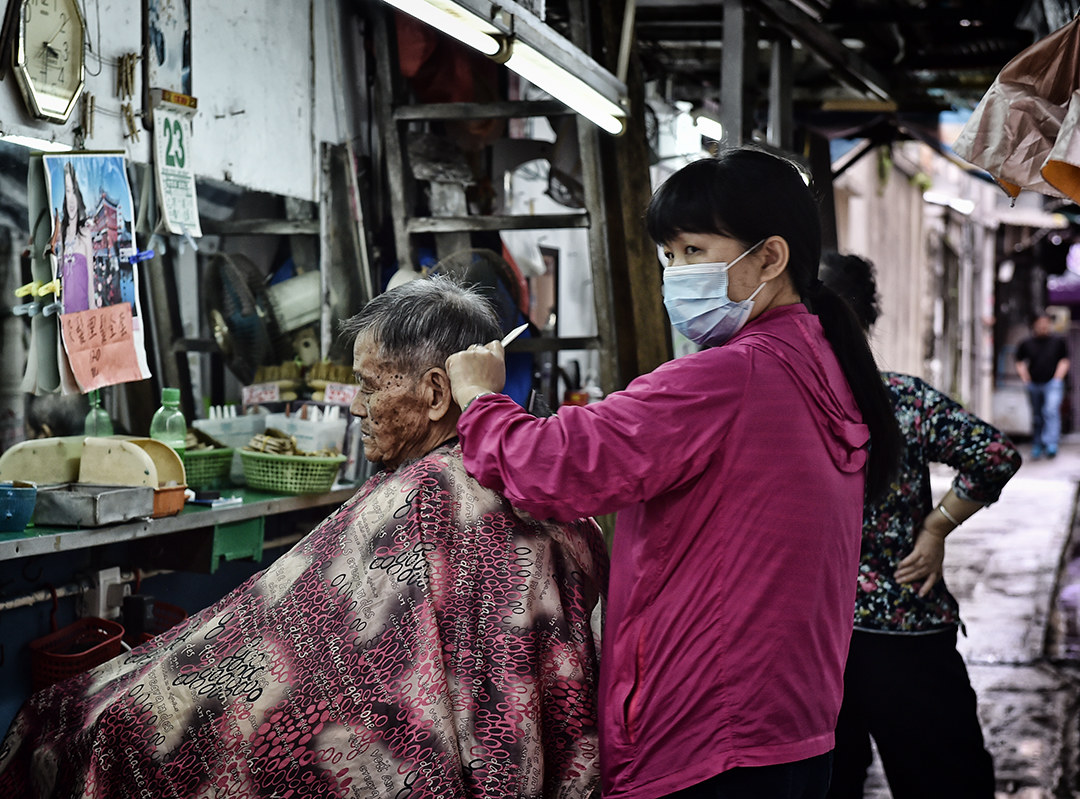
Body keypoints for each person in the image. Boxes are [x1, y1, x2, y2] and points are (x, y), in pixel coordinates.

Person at [0, 277, 609, 799]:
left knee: (88, 722)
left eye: (369, 386)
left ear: (438, 393)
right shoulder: (546, 490)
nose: (355, 408)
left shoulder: (428, 496)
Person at [445, 147, 904, 799]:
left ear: (770, 258)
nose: (675, 275)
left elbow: (552, 465)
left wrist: (480, 399)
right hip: (791, 726)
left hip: (706, 737)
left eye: (694, 251)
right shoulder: (822, 362)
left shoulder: (730, 376)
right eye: (668, 255)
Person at [819, 251, 1022, 799]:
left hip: (815, 638)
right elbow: (994, 455)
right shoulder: (901, 398)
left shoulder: (781, 406)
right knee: (944, 783)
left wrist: (935, 529)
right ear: (867, 319)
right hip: (901, 627)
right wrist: (936, 527)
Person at [1015, 311, 1070, 459]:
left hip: (1052, 383)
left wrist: (1057, 378)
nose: (1043, 326)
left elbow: (1064, 360)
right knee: (1037, 415)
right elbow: (1019, 361)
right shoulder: (1027, 343)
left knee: (1050, 411)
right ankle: (1037, 444)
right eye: (1040, 323)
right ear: (1034, 325)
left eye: (1046, 323)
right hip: (1034, 384)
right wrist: (1026, 378)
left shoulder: (1058, 342)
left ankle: (1051, 443)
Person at [58, 160, 95, 314]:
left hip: (83, 310)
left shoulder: (85, 234)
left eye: (74, 191)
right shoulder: (61, 234)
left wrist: (93, 307)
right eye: (68, 191)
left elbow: (90, 276)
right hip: (66, 311)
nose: (71, 198)